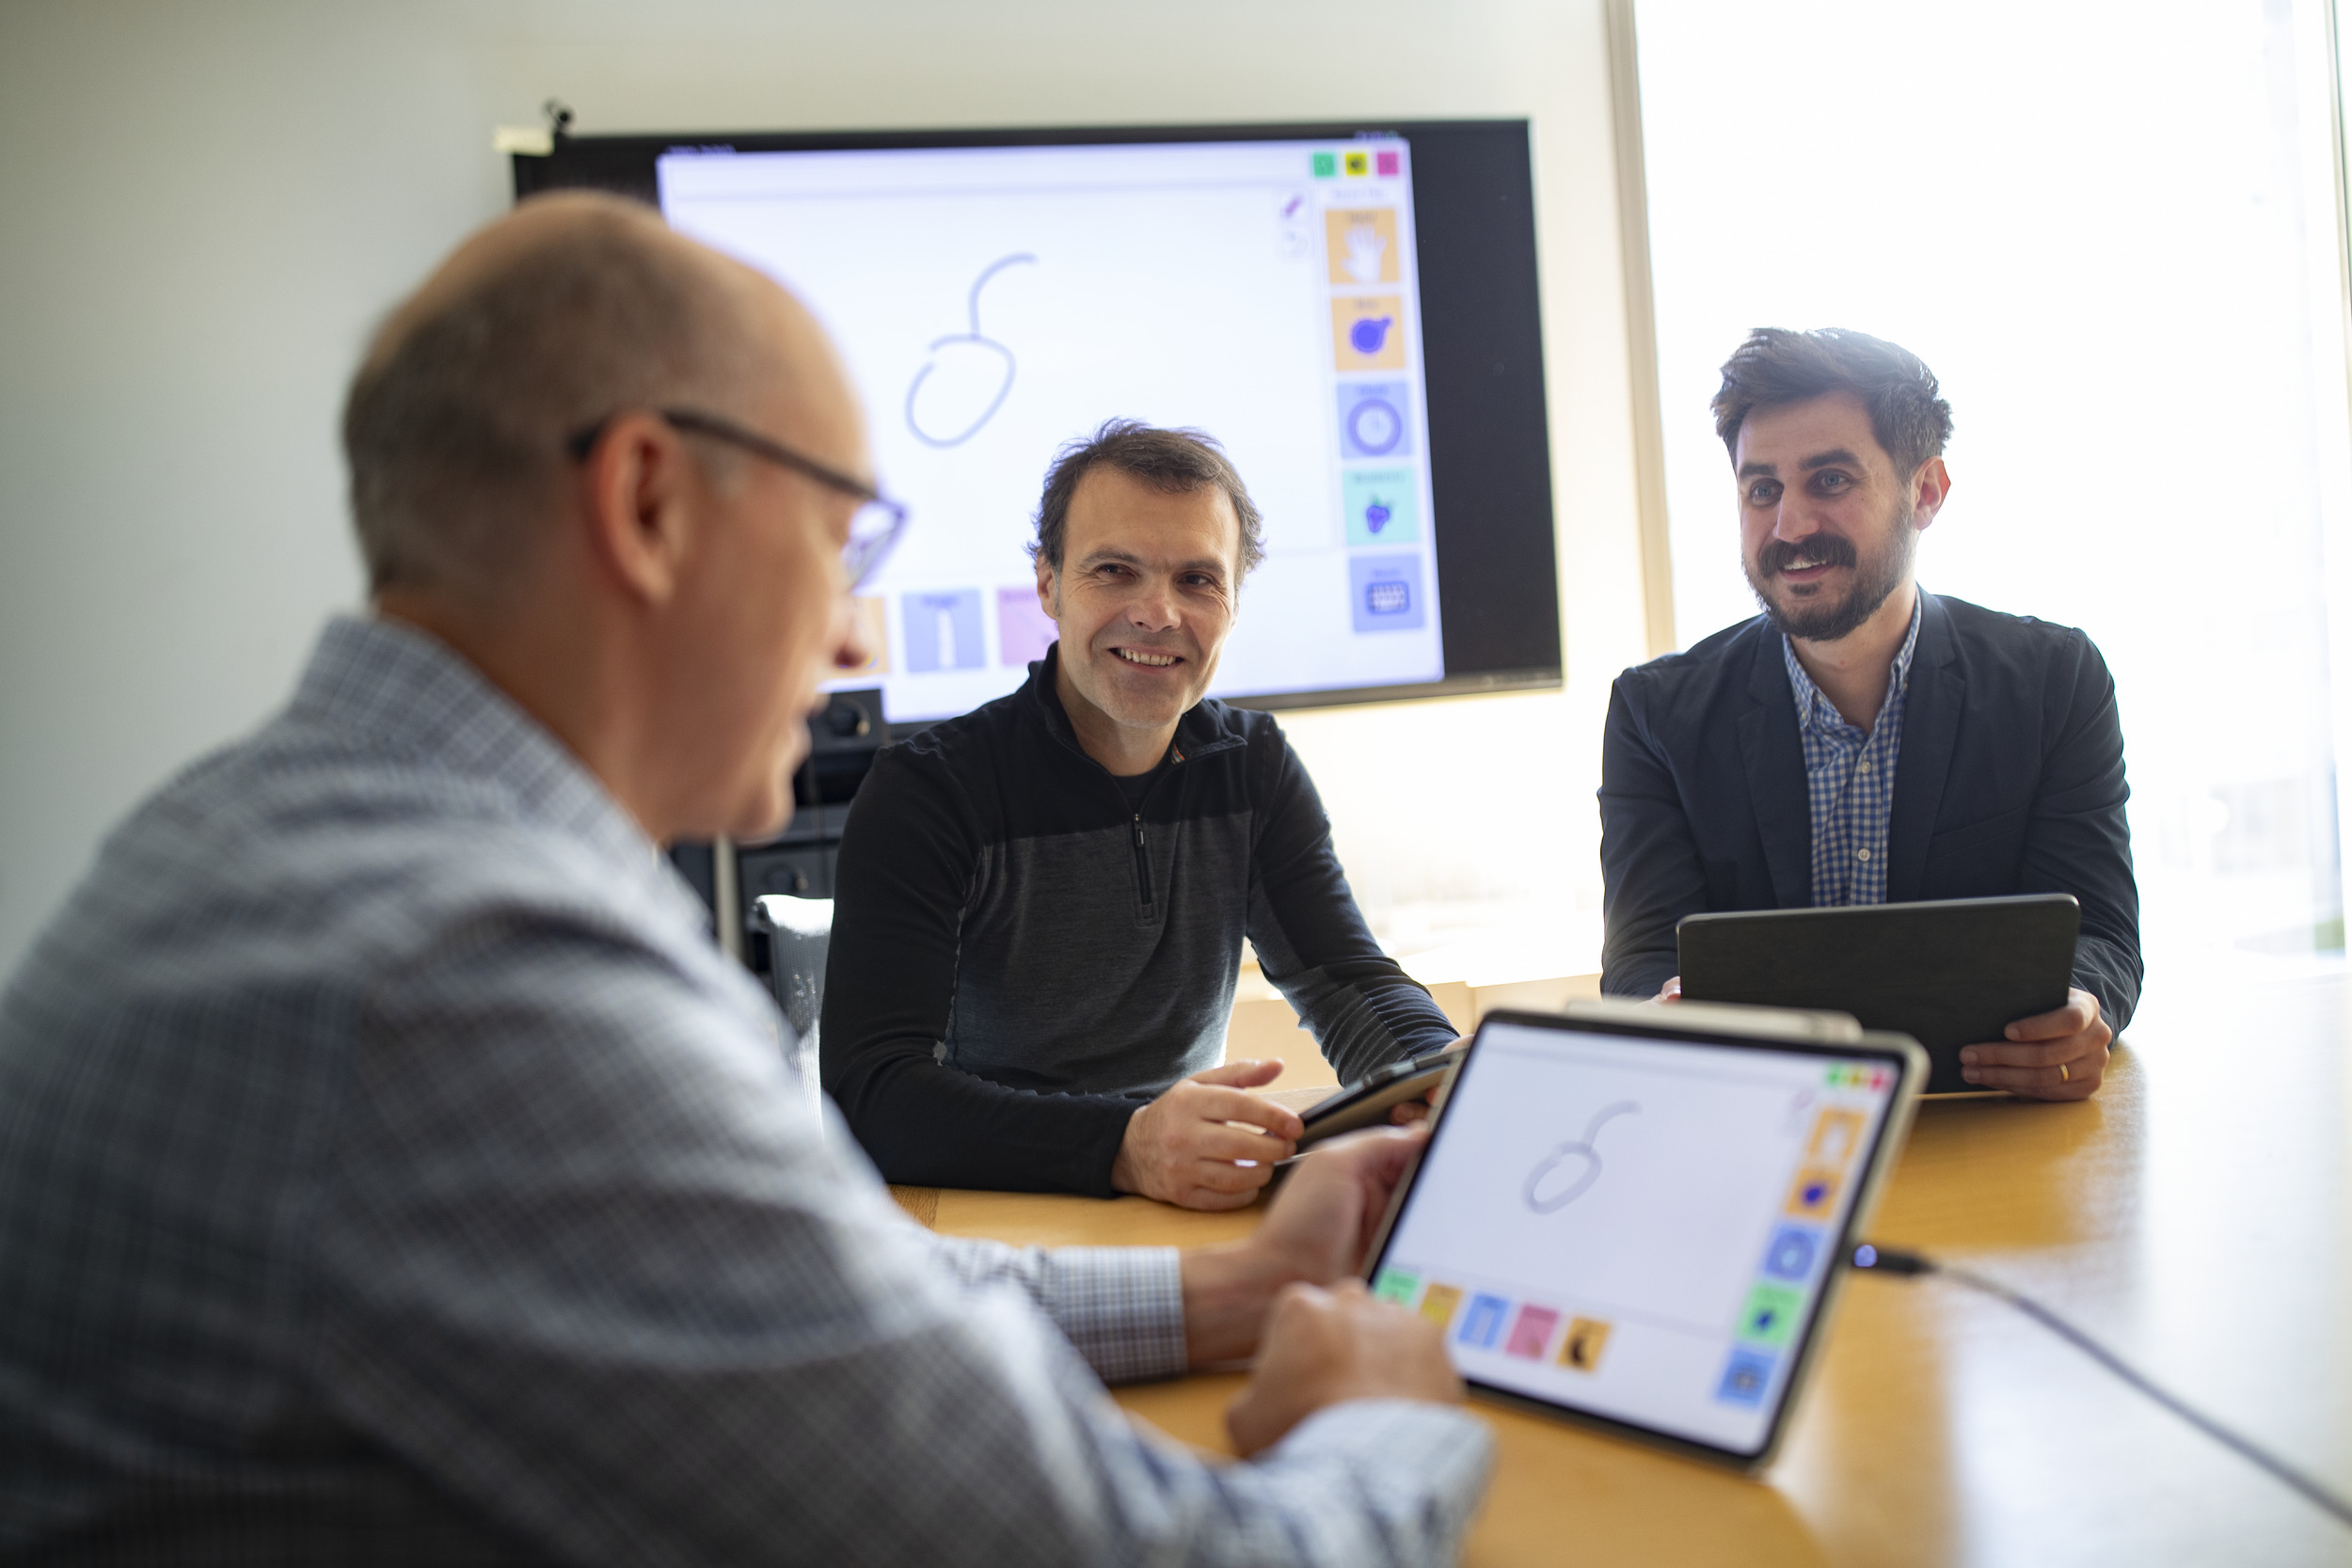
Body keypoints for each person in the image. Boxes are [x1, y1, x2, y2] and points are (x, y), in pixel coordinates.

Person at [0, 194, 1490, 1564]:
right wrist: (1389, 1407)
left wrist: (1228, 1293)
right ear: (648, 501)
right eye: (838, 543)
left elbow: (821, 1310)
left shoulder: (279, 842)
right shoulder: (477, 969)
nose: (852, 641)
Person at [821, 421, 1461, 1209]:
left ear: (1232, 602)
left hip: (1183, 1192)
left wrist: (1444, 1073)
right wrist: (1125, 1146)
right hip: (989, 1210)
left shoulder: (1252, 765)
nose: (1158, 613)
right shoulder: (930, 791)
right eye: (1115, 571)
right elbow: (874, 1096)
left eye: (1198, 580)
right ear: (1048, 585)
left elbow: (1349, 983)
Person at [1598, 327, 2139, 1101]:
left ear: (1925, 492)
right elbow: (1643, 961)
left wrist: (2088, 1009)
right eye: (1762, 490)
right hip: (1756, 1133)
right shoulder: (1654, 716)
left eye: (1829, 480)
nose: (1788, 526)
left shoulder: (2056, 683)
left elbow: (2104, 934)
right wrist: (1660, 1014)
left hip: (1987, 1122)